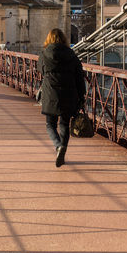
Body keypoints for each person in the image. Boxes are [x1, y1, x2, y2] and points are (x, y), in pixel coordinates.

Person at [38, 28, 85, 168]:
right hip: (69, 94)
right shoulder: (72, 55)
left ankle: (58, 146)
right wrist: (82, 95)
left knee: (50, 124)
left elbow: (40, 70)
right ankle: (62, 149)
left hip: (50, 94)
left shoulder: (44, 54)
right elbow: (79, 77)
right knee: (64, 124)